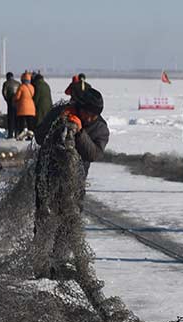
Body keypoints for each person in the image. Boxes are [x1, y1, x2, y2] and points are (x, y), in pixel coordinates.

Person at [33, 87, 109, 282]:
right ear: (79, 107)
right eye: (87, 113)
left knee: (68, 222)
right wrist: (59, 124)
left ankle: (58, 264)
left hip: (73, 184)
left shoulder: (100, 128)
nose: (91, 117)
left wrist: (80, 131)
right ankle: (39, 264)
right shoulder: (60, 113)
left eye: (95, 115)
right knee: (44, 218)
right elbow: (40, 137)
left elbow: (93, 154)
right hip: (47, 177)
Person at [13, 72, 36, 137]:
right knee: (30, 124)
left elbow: (17, 96)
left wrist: (14, 99)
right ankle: (31, 135)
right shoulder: (32, 87)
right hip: (31, 107)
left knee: (21, 123)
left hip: (22, 107)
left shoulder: (21, 87)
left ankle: (21, 135)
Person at [2, 72, 20, 138]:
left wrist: (7, 100)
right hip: (18, 103)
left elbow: (4, 93)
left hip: (10, 103)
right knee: (17, 119)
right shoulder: (18, 83)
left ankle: (10, 134)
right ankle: (17, 133)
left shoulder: (6, 83)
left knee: (11, 119)